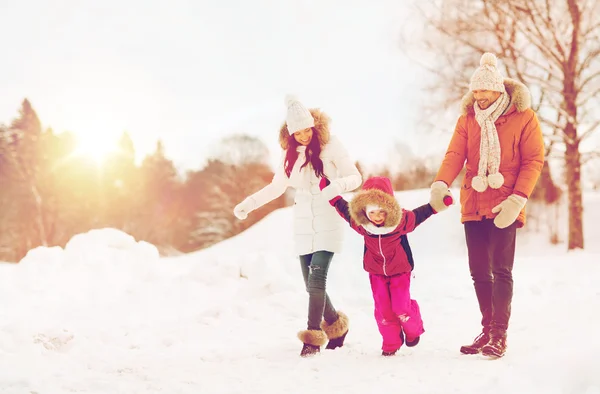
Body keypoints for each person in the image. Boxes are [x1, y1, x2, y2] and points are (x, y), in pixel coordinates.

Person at [430, 52, 545, 358]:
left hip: (506, 202)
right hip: (474, 201)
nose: (479, 96)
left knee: (501, 269)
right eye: (476, 90)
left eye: (485, 90)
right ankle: (487, 328)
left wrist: (518, 198)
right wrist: (441, 183)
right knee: (479, 270)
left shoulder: (523, 117)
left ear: (498, 90)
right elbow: (454, 155)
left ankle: (499, 335)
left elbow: (533, 160)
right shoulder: (467, 119)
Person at [233, 95, 362, 357]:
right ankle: (337, 325)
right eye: (298, 132)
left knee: (316, 281)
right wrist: (249, 203)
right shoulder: (289, 156)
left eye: (307, 130)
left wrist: (337, 186)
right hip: (303, 223)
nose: (304, 136)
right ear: (290, 134)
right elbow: (277, 187)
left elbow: (355, 177)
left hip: (327, 219)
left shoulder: (331, 145)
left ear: (314, 126)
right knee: (310, 285)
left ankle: (312, 338)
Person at [320, 175, 452, 356]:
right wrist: (331, 194)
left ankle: (413, 330)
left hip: (400, 271)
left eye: (381, 212)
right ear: (364, 211)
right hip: (376, 273)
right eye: (372, 212)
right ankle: (391, 342)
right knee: (383, 310)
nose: (377, 217)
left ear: (389, 209)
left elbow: (422, 213)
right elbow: (343, 208)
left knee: (401, 307)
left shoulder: (401, 221)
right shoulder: (362, 225)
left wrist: (436, 205)